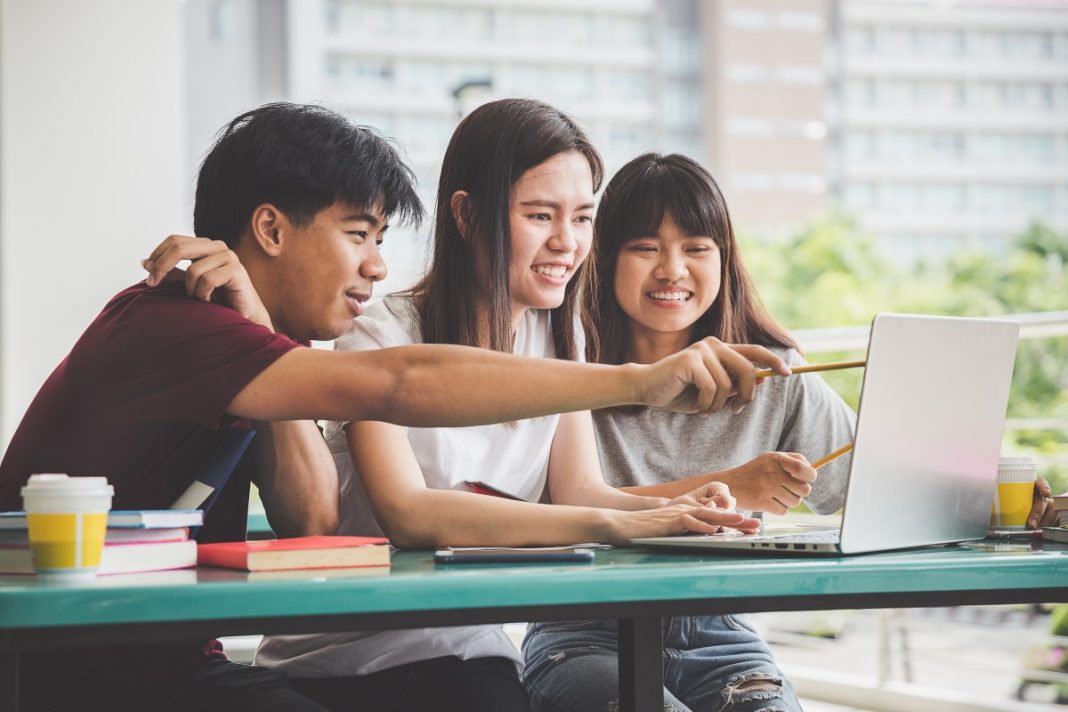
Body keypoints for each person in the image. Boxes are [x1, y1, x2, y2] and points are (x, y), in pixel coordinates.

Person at [0, 107, 785, 712]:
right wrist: (639, 383)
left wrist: (265, 332)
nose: (376, 266)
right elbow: (400, 385)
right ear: (270, 228)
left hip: (179, 669)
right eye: (357, 234)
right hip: (67, 674)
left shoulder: (254, 354)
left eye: (582, 218)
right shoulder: (174, 324)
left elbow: (308, 520)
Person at [254, 100, 776, 712]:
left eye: (582, 218)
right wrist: (621, 523)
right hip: (343, 655)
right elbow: (410, 515)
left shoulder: (562, 336)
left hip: (473, 647)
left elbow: (582, 491)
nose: (568, 241)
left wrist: (682, 508)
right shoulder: (380, 334)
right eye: (539, 215)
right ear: (468, 215)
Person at [521, 152, 1062, 712]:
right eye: (645, 248)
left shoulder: (774, 373)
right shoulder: (568, 368)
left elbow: (884, 479)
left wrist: (993, 491)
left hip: (721, 639)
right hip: (582, 634)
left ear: (725, 261)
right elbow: (553, 511)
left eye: (697, 248)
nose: (672, 270)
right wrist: (734, 487)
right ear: (605, 259)